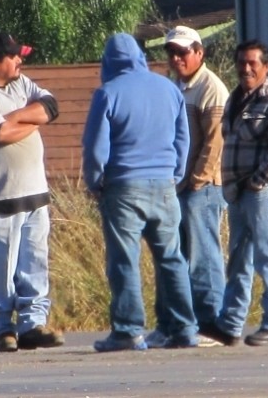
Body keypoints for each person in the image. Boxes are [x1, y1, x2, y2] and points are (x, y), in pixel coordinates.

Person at [82, 32, 199, 352]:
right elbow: (183, 139)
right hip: (164, 186)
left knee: (124, 260)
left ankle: (128, 331)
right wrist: (175, 174)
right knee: (172, 258)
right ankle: (184, 329)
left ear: (109, 62)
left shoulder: (107, 93)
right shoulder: (169, 89)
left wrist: (95, 182)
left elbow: (95, 148)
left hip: (123, 187)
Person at [0, 32, 64, 353]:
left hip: (35, 195)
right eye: (14, 56)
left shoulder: (22, 84)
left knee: (35, 263)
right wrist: (31, 121)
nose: (20, 60)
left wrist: (18, 117)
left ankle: (33, 325)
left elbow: (51, 107)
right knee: (0, 268)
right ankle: (4, 328)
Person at [201, 39, 268, 347]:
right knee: (239, 259)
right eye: (241, 62)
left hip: (263, 190)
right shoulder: (235, 100)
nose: (246, 68)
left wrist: (259, 181)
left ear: (266, 67)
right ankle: (230, 324)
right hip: (238, 192)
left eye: (252, 63)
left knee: (267, 255)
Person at [145, 26, 229, 348]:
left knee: (203, 255)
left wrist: (196, 180)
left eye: (183, 52)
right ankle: (172, 324)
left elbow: (215, 141)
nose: (176, 58)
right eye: (171, 52)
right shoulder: (175, 88)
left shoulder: (211, 88)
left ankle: (210, 323)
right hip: (175, 186)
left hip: (202, 188)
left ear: (199, 52)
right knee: (173, 256)